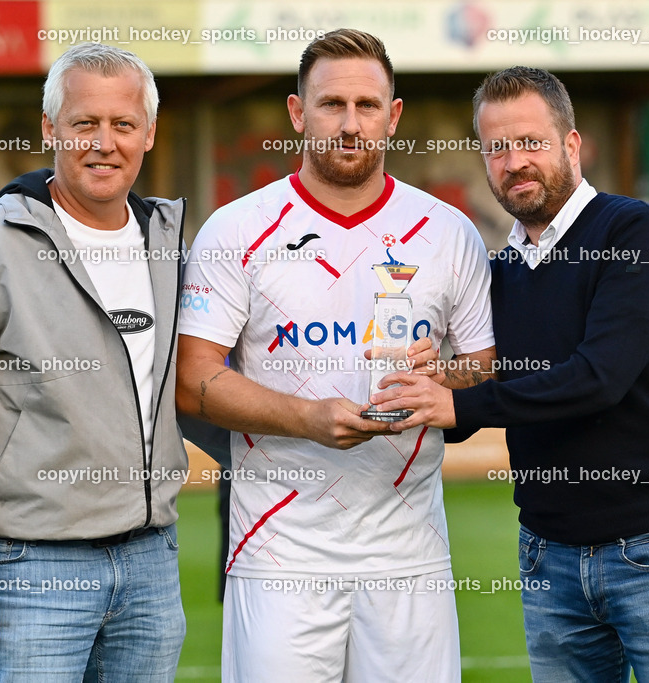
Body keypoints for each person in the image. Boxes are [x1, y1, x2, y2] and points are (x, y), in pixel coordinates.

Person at [371, 66, 649, 682]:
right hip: (547, 555)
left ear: (570, 145)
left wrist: (458, 404)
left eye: (530, 142)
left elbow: (598, 378)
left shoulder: (633, 232)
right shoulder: (499, 272)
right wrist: (433, 385)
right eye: (497, 148)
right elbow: (488, 396)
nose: (514, 162)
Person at [176, 29, 496, 682]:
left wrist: (441, 380)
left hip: (410, 551)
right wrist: (308, 418)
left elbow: (484, 366)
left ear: (392, 115)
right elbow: (193, 380)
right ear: (298, 113)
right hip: (278, 550)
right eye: (331, 105)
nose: (350, 125)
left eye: (367, 106)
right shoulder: (236, 228)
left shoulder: (449, 231)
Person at [0, 43, 189, 681]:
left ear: (149, 134)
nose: (103, 142)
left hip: (151, 565)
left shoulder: (169, 242)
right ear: (50, 127)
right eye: (84, 123)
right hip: (30, 570)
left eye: (122, 124)